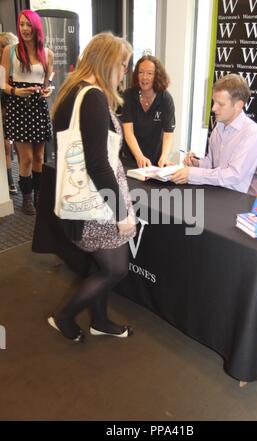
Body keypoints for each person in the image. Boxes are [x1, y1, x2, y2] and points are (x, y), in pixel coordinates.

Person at [48, 32, 136, 342]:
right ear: (109, 62)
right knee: (115, 269)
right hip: (99, 204)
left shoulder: (71, 93)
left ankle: (99, 320)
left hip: (82, 200)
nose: (124, 73)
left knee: (103, 266)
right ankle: (64, 315)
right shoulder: (93, 97)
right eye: (123, 65)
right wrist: (122, 212)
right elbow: (98, 165)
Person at [171, 73, 257, 195]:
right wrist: (197, 164)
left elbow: (234, 175)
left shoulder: (252, 133)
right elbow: (212, 164)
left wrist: (193, 173)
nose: (213, 108)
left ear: (238, 105)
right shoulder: (219, 127)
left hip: (243, 202)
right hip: (219, 194)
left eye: (220, 104)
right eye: (214, 102)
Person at [1, 10, 53, 214]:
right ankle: (27, 199)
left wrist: (48, 91)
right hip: (18, 106)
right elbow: (1, 82)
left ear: (36, 27)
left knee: (39, 157)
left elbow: (47, 82)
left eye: (28, 25)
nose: (24, 29)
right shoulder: (10, 51)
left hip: (38, 106)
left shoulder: (47, 53)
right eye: (22, 24)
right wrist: (15, 90)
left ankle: (39, 195)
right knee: (27, 158)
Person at [121, 54, 175, 168]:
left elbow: (168, 134)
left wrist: (164, 157)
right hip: (131, 160)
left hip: (155, 162)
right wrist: (139, 157)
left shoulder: (165, 99)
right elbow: (128, 131)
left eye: (150, 73)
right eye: (141, 72)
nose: (144, 77)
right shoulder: (129, 95)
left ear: (157, 76)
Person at [0, 32, 18, 194]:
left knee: (18, 148)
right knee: (5, 147)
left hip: (15, 111)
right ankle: (10, 182)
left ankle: (20, 180)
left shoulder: (18, 66)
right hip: (4, 111)